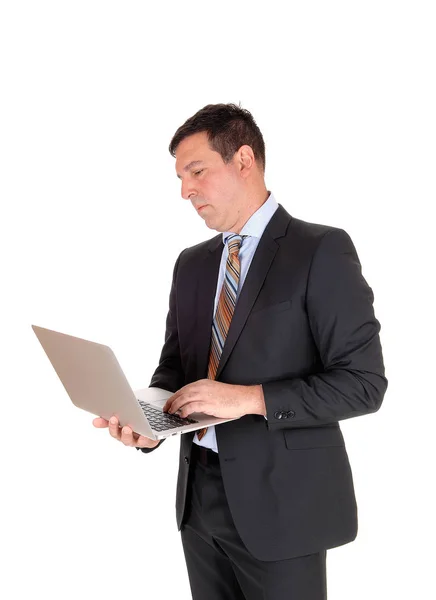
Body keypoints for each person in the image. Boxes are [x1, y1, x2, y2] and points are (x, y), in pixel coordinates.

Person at [93, 103, 388, 599]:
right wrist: (148, 424)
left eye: (197, 171)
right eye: (181, 177)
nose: (185, 190)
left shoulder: (319, 250)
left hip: (283, 508)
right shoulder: (191, 264)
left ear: (244, 160)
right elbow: (175, 370)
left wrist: (248, 398)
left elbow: (364, 384)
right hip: (198, 504)